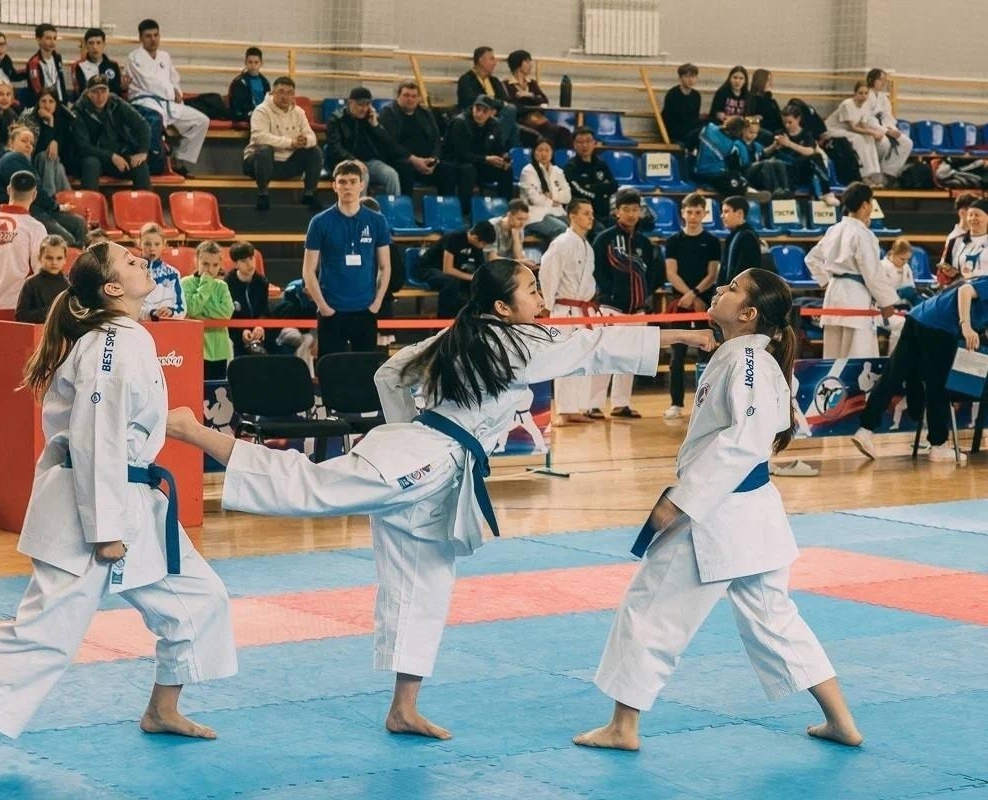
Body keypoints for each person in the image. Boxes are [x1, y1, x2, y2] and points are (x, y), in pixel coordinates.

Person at [173, 258, 715, 739]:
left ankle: (403, 708)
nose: (540, 297)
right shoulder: (517, 344)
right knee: (313, 489)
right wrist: (684, 338)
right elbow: (595, 347)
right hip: (423, 459)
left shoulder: (464, 333)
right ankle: (192, 429)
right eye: (530, 289)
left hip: (429, 459)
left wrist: (403, 428)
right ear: (503, 306)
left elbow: (390, 372)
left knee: (424, 585)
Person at [0, 242, 238, 770]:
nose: (140, 261)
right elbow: (95, 437)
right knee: (44, 632)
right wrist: (105, 529)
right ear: (112, 289)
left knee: (199, 598)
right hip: (90, 508)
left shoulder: (129, 336)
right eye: (129, 261)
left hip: (134, 500)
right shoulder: (109, 345)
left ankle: (162, 709)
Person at [575, 267, 862, 752]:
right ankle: (841, 721)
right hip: (752, 516)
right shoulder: (749, 358)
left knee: (650, 610)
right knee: (774, 621)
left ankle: (623, 727)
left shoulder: (748, 361)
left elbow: (745, 440)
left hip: (715, 516)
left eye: (732, 289)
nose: (720, 291)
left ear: (747, 314)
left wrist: (682, 500)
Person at [852, 275, 988, 464]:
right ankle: (939, 445)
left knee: (894, 374)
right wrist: (966, 326)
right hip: (941, 326)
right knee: (938, 385)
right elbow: (964, 291)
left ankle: (865, 430)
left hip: (919, 316)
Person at [302, 160, 392, 356]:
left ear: (362, 185)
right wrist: (323, 306)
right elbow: (308, 270)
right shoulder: (319, 222)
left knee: (366, 368)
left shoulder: (377, 221)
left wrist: (377, 303)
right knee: (330, 368)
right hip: (331, 309)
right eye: (342, 182)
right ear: (334, 186)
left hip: (366, 310)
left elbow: (385, 266)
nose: (347, 186)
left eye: (352, 181)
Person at [0, 170, 47, 389]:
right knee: (15, 370)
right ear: (34, 194)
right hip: (18, 308)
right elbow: (40, 271)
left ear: (8, 190)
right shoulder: (35, 228)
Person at [804, 182, 899, 359]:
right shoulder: (863, 234)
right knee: (857, 357)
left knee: (833, 357)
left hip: (833, 296)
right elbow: (872, 273)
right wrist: (886, 303)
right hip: (856, 298)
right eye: (871, 202)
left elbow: (811, 258)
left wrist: (827, 282)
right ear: (864, 205)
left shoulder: (834, 230)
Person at [590, 188, 658, 419]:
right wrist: (609, 293)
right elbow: (597, 271)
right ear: (617, 211)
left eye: (635, 209)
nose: (630, 214)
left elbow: (651, 274)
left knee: (629, 357)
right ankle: (594, 405)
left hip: (638, 311)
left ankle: (621, 404)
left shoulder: (644, 243)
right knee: (604, 355)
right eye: (626, 209)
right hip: (610, 308)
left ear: (640, 212)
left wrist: (644, 297)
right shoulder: (604, 239)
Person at [539, 199, 599, 425]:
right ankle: (563, 410)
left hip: (583, 310)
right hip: (563, 310)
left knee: (583, 360)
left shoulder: (587, 246)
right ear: (572, 216)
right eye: (585, 213)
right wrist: (546, 306)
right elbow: (548, 274)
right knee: (564, 360)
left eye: (591, 213)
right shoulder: (561, 243)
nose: (591, 217)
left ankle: (576, 408)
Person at [127, 18, 210, 177]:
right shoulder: (135, 57)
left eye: (156, 35)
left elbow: (174, 78)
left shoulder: (165, 56)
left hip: (168, 103)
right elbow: (148, 83)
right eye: (148, 36)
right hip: (146, 102)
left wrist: (177, 91)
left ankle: (179, 160)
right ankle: (155, 163)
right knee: (155, 119)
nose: (153, 39)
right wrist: (172, 92)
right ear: (140, 38)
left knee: (201, 121)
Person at [663, 192, 721, 419]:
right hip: (680, 304)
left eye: (698, 212)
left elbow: (712, 274)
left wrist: (696, 295)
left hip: (704, 304)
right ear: (682, 213)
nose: (693, 216)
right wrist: (688, 296)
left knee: (706, 354)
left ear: (704, 214)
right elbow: (671, 272)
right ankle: (676, 403)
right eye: (689, 212)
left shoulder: (712, 241)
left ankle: (705, 404)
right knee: (677, 355)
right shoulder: (673, 241)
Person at [0, 124, 86, 246]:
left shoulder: (24, 161)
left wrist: (55, 206)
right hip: (24, 212)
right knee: (68, 241)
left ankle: (84, 256)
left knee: (79, 223)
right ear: (11, 143)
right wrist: (57, 207)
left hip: (39, 209)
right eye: (24, 141)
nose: (28, 145)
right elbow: (36, 189)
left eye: (31, 143)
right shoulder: (11, 158)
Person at [242, 76, 322, 211]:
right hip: (259, 163)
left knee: (314, 151)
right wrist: (291, 143)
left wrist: (305, 140)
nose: (285, 97)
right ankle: (263, 195)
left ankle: (309, 194)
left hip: (287, 164)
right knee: (264, 150)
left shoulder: (299, 112)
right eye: (281, 92)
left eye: (289, 93)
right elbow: (259, 137)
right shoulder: (261, 111)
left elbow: (312, 136)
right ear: (273, 93)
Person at [378, 79, 458, 202]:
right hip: (401, 160)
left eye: (413, 96)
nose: (410, 99)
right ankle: (406, 208)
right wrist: (414, 160)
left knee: (448, 171)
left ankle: (444, 210)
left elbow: (436, 140)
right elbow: (390, 144)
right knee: (405, 169)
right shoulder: (388, 113)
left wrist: (434, 159)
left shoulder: (425, 113)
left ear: (418, 98)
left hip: (425, 162)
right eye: (406, 95)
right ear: (398, 96)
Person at [71, 75, 152, 191]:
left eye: (103, 91)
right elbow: (83, 147)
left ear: (109, 91)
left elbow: (143, 125)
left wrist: (143, 151)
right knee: (91, 164)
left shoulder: (116, 103)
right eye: (95, 92)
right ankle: (90, 201)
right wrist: (111, 156)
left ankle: (145, 200)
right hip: (93, 158)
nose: (100, 96)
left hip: (119, 155)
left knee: (139, 164)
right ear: (88, 93)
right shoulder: (78, 110)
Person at [324, 86, 408, 196]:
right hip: (344, 162)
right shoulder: (336, 119)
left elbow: (388, 143)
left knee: (391, 175)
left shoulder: (370, 119)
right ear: (350, 103)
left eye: (367, 105)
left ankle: (393, 206)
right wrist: (352, 160)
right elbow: (335, 147)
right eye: (360, 105)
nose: (364, 109)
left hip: (369, 162)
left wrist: (376, 126)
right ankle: (360, 206)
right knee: (362, 176)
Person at [442, 95, 513, 214]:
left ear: (492, 113)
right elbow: (461, 154)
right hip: (456, 165)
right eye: (477, 109)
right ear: (473, 107)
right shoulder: (460, 122)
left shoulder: (494, 125)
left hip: (480, 163)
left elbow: (498, 148)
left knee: (506, 170)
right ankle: (465, 212)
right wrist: (486, 159)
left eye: (484, 111)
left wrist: (503, 158)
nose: (479, 114)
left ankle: (506, 209)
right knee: (468, 170)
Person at [767, 103, 840, 207]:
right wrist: (774, 146)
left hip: (801, 169)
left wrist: (789, 144)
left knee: (816, 157)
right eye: (784, 122)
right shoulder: (779, 133)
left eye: (790, 122)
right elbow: (766, 152)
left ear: (798, 119)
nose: (787, 125)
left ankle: (826, 193)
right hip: (786, 169)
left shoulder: (806, 134)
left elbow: (810, 151)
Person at [418, 221, 496, 318]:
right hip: (430, 269)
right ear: (475, 238)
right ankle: (443, 320)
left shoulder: (476, 245)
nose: (483, 247)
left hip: (454, 272)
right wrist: (472, 277)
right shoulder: (453, 238)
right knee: (451, 283)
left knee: (479, 284)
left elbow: (480, 268)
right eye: (483, 244)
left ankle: (469, 318)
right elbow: (447, 270)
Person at [182, 241, 235, 380]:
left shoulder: (222, 286)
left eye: (215, 265)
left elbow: (226, 313)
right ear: (196, 261)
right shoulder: (185, 283)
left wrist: (201, 311)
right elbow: (192, 308)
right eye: (205, 264)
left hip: (219, 350)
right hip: (195, 348)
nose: (210, 270)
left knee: (216, 389)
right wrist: (206, 285)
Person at [455, 46, 520, 147]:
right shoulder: (466, 80)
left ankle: (511, 154)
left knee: (514, 126)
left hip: (495, 115)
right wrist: (496, 105)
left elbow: (505, 100)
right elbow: (471, 100)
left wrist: (496, 107)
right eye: (491, 59)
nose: (495, 63)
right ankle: (493, 146)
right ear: (481, 60)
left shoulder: (494, 80)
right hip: (476, 114)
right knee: (511, 111)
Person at [696, 116, 771, 202]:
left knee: (733, 177)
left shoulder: (709, 128)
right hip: (712, 173)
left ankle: (749, 191)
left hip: (701, 170)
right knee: (732, 180)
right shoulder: (731, 146)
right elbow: (734, 166)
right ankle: (745, 193)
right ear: (737, 132)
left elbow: (690, 140)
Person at [19, 87, 76, 197]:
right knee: (45, 156)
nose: (47, 105)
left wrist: (54, 138)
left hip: (53, 164)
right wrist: (50, 123)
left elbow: (63, 151)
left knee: (58, 167)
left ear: (56, 104)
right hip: (32, 162)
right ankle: (55, 197)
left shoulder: (63, 118)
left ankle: (60, 199)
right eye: (43, 101)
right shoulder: (29, 118)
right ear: (38, 103)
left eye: (51, 101)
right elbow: (33, 149)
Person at [826, 82, 886, 185]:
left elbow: (863, 124)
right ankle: (864, 175)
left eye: (866, 93)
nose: (863, 96)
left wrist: (874, 133)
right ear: (855, 93)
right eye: (860, 93)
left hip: (846, 131)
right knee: (858, 139)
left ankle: (875, 173)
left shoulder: (865, 106)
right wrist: (872, 132)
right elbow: (853, 127)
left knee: (869, 138)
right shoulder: (847, 104)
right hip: (832, 130)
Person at [563, 127, 617, 227]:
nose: (585, 145)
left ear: (594, 143)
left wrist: (592, 187)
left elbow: (614, 185)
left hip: (605, 211)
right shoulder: (570, 168)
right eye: (580, 142)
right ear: (574, 145)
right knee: (601, 230)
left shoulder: (601, 164)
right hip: (585, 214)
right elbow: (580, 192)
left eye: (588, 141)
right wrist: (602, 191)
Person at [517, 139, 570, 242]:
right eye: (540, 150)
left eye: (547, 150)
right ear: (534, 152)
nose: (544, 154)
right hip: (535, 215)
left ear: (552, 153)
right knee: (561, 228)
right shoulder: (528, 171)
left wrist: (552, 196)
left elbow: (567, 197)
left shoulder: (557, 171)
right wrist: (553, 202)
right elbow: (535, 199)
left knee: (576, 226)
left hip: (556, 212)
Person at [865, 68, 913, 181]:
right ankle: (875, 173)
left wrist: (892, 129)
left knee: (907, 143)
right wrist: (886, 131)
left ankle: (889, 173)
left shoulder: (883, 98)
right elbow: (868, 120)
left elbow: (888, 117)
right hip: (871, 130)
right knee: (884, 143)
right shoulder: (866, 96)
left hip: (885, 128)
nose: (883, 83)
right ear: (872, 80)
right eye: (881, 80)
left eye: (885, 80)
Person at [225, 241, 270, 355]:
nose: (250, 264)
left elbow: (264, 310)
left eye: (251, 258)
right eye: (244, 261)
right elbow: (228, 315)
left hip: (257, 332)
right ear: (236, 264)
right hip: (235, 332)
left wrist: (260, 326)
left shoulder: (262, 282)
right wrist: (242, 331)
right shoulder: (227, 283)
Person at [14, 234, 71, 324]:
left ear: (65, 260)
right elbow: (21, 316)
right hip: (38, 331)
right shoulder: (30, 284)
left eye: (59, 258)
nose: (54, 262)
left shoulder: (68, 285)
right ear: (40, 258)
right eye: (49, 258)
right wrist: (51, 312)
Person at [138, 223, 186, 321]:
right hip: (140, 326)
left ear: (164, 245)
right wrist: (151, 313)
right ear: (140, 244)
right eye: (147, 244)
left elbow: (181, 309)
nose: (152, 248)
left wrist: (171, 312)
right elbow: (128, 308)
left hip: (166, 326)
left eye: (157, 244)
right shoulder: (131, 272)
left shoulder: (173, 273)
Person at [879, 237, 919, 354]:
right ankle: (893, 357)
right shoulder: (881, 267)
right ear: (893, 253)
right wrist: (897, 294)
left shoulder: (906, 267)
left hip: (902, 309)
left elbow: (911, 290)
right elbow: (879, 294)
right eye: (902, 259)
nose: (905, 262)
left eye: (907, 259)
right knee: (902, 324)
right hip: (882, 312)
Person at [737, 118, 793, 199]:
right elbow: (743, 164)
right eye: (751, 132)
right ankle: (775, 190)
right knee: (766, 163)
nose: (753, 135)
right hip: (745, 172)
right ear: (743, 130)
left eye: (756, 133)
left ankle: (785, 189)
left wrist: (774, 146)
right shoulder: (738, 144)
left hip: (757, 169)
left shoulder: (756, 145)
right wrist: (757, 163)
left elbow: (763, 152)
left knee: (777, 162)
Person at [720, 196, 763, 285]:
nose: (722, 216)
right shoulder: (733, 235)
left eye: (726, 211)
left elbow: (745, 273)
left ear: (739, 213)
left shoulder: (748, 237)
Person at [72, 28, 127, 98]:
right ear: (86, 45)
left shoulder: (113, 65)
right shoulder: (79, 66)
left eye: (98, 43)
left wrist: (123, 89)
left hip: (111, 103)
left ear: (104, 44)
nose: (95, 47)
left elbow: (118, 93)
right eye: (91, 43)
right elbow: (80, 93)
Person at [25, 23, 68, 106]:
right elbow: (37, 90)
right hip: (45, 104)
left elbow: (61, 82)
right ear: (38, 40)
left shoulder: (57, 58)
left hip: (60, 102)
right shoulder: (34, 62)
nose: (52, 42)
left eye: (54, 38)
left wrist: (65, 102)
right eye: (48, 38)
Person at [228, 46, 272, 124]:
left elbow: (268, 102)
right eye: (250, 62)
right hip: (245, 114)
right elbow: (237, 106)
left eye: (256, 62)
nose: (253, 66)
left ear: (261, 63)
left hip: (262, 113)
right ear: (245, 63)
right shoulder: (239, 82)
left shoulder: (265, 82)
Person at [661, 63, 701, 147]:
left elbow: (695, 117)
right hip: (675, 134)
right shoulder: (672, 94)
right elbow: (668, 119)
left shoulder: (696, 95)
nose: (690, 80)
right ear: (680, 78)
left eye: (693, 76)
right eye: (686, 76)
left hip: (690, 132)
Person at [486, 199, 534, 269]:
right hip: (491, 268)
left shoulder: (518, 229)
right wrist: (520, 261)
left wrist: (516, 237)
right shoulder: (492, 227)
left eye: (525, 219)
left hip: (507, 267)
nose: (522, 223)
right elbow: (492, 258)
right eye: (519, 219)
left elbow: (519, 257)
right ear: (509, 215)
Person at [748, 69, 783, 139]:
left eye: (771, 80)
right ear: (760, 81)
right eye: (768, 80)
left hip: (777, 129)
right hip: (765, 131)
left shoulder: (771, 100)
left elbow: (778, 118)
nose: (770, 83)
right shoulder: (751, 99)